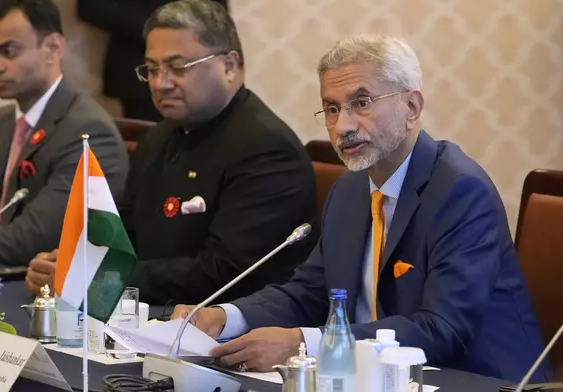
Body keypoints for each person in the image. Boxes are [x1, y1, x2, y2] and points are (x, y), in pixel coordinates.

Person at [171, 34, 550, 382]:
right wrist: (225, 316)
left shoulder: (460, 191)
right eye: (331, 109)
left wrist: (305, 343)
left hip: (476, 380)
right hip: (370, 378)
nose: (342, 126)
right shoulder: (351, 189)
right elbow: (310, 293)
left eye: (362, 103)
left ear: (412, 107)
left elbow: (442, 330)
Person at [25, 0, 317, 305]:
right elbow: (122, 236)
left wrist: (95, 277)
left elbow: (224, 274)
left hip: (229, 329)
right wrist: (66, 264)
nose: (160, 83)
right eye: (152, 69)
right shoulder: (158, 136)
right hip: (149, 315)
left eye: (178, 68)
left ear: (229, 65)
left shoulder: (266, 149)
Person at [0, 0, 128, 268]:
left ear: (53, 47)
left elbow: (26, 242)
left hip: (33, 290)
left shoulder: (88, 133)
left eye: (8, 51)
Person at [76, 0, 228, 121]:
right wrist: (158, 30)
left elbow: (218, 12)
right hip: (141, 74)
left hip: (199, 72)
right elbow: (90, 6)